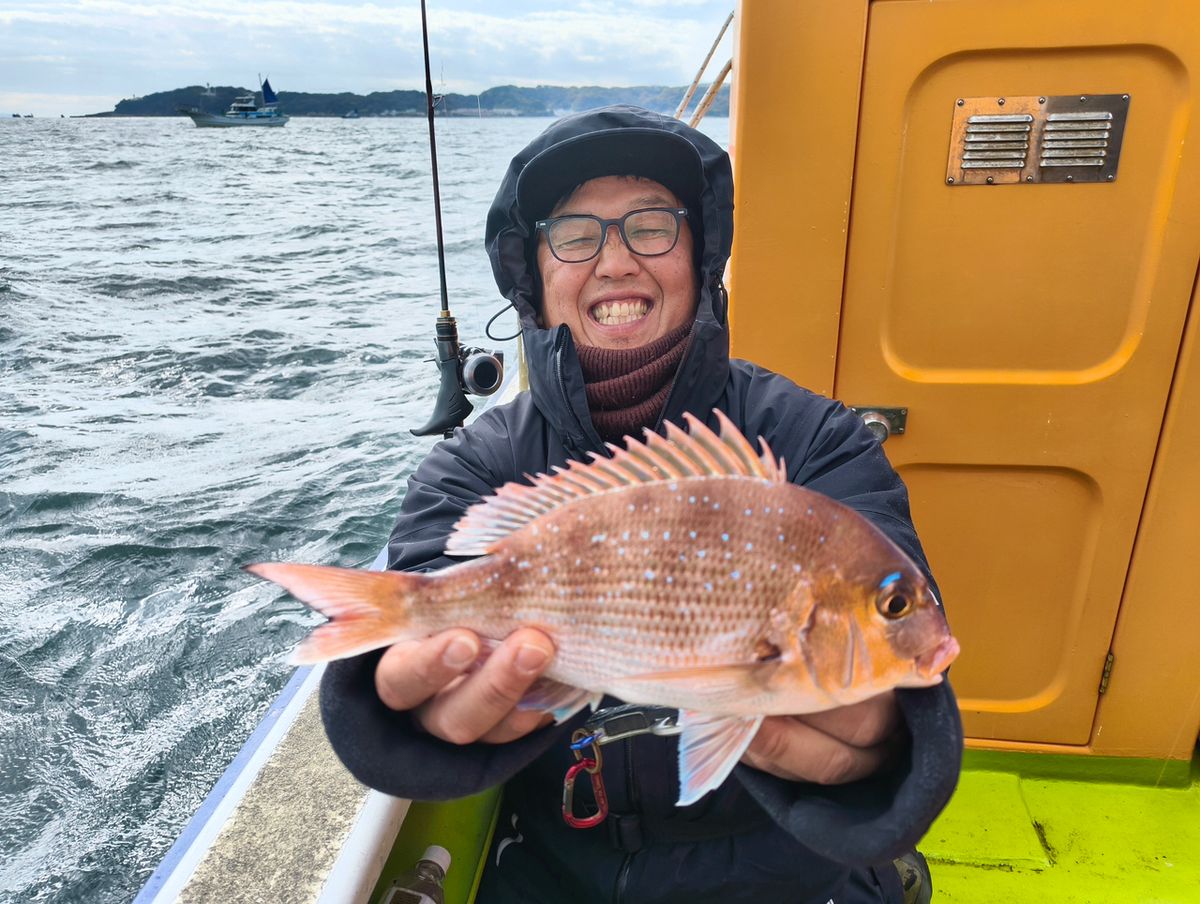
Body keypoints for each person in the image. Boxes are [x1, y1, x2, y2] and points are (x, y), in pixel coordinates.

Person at [320, 105, 963, 903]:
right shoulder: (473, 467)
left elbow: (916, 709)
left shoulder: (819, 440)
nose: (616, 261)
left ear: (701, 255)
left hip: (791, 867)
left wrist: (890, 744)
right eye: (576, 236)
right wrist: (404, 717)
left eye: (652, 227)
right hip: (556, 864)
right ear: (535, 276)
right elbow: (400, 650)